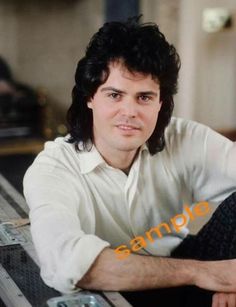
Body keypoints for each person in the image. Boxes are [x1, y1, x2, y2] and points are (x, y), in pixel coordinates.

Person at [23, 17, 236, 307]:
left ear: (161, 102)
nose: (130, 111)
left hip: (186, 263)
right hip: (115, 290)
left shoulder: (183, 137)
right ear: (90, 97)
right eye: (115, 95)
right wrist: (206, 274)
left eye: (144, 97)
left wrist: (228, 286)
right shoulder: (53, 169)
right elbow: (69, 263)